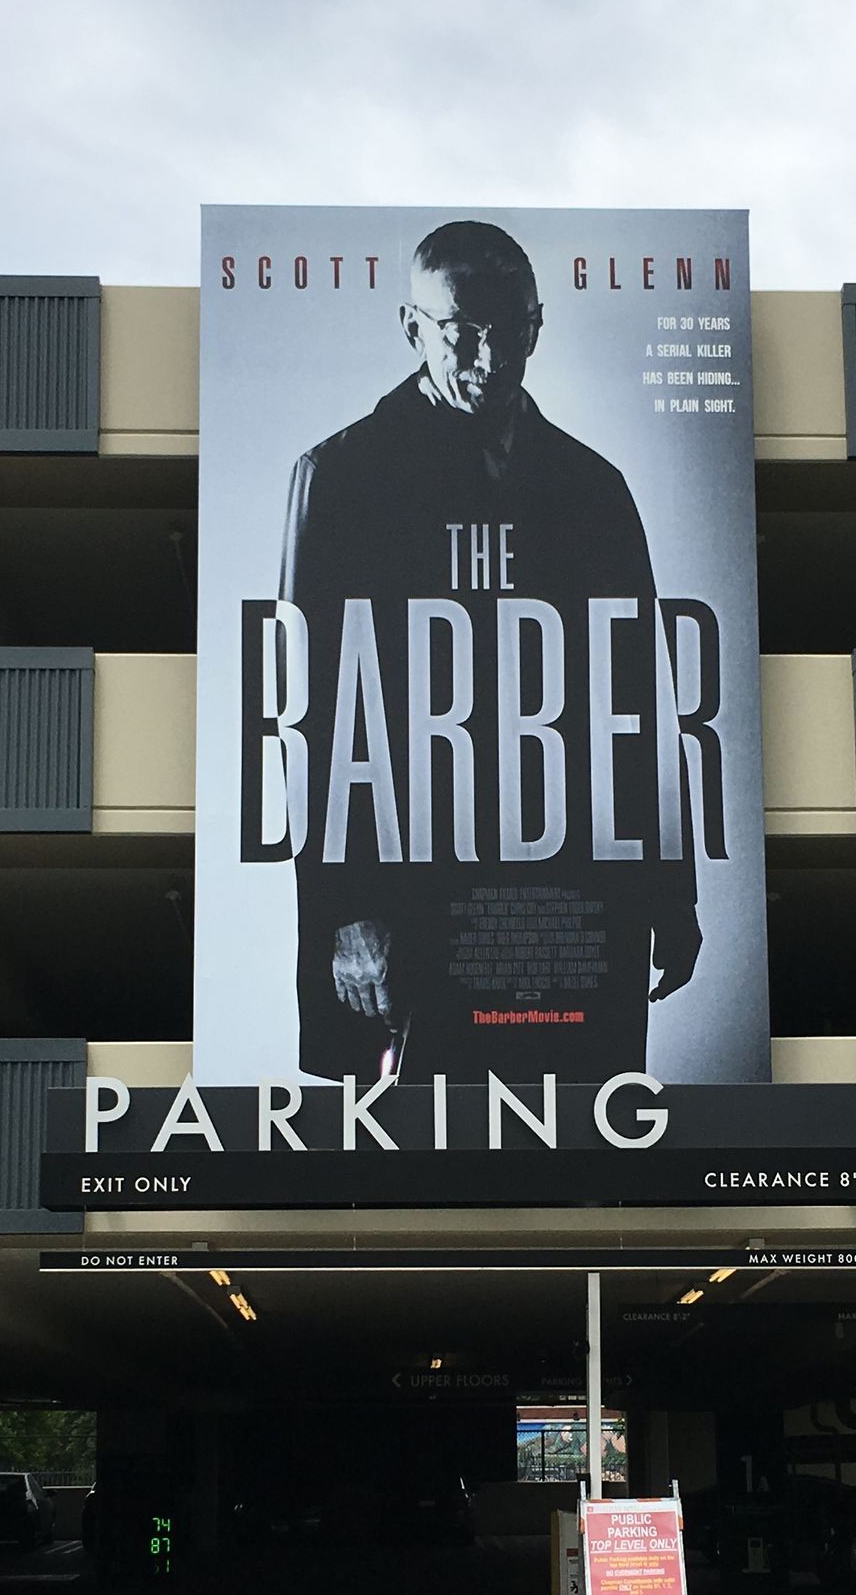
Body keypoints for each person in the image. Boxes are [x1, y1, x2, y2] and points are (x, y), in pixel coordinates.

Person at [279, 220, 702, 1082]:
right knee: (413, 1186)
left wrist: (670, 893)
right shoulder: (343, 477)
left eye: (510, 330)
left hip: (573, 908)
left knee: (583, 1171)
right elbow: (304, 716)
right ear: (413, 329)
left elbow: (643, 701)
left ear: (537, 326)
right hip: (409, 908)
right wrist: (342, 913)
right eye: (460, 331)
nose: (489, 353)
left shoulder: (594, 489)